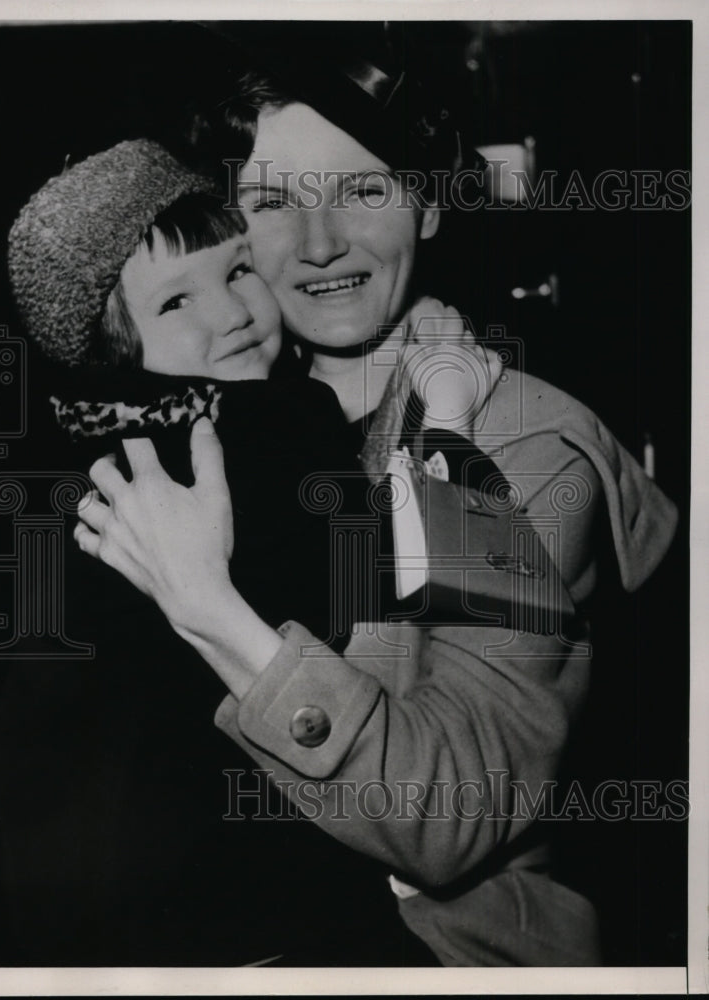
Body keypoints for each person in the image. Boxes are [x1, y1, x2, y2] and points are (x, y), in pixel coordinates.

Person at [75, 39, 679, 967]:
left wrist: (209, 610)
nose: (319, 245)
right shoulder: (225, 414)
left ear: (429, 204)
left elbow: (451, 815)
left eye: (363, 190)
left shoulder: (514, 445)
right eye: (272, 203)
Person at [0, 136, 497, 966]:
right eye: (175, 304)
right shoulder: (264, 436)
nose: (230, 312)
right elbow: (396, 611)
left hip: (74, 901)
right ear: (114, 349)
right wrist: (439, 408)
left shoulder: (89, 448)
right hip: (237, 906)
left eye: (235, 271)